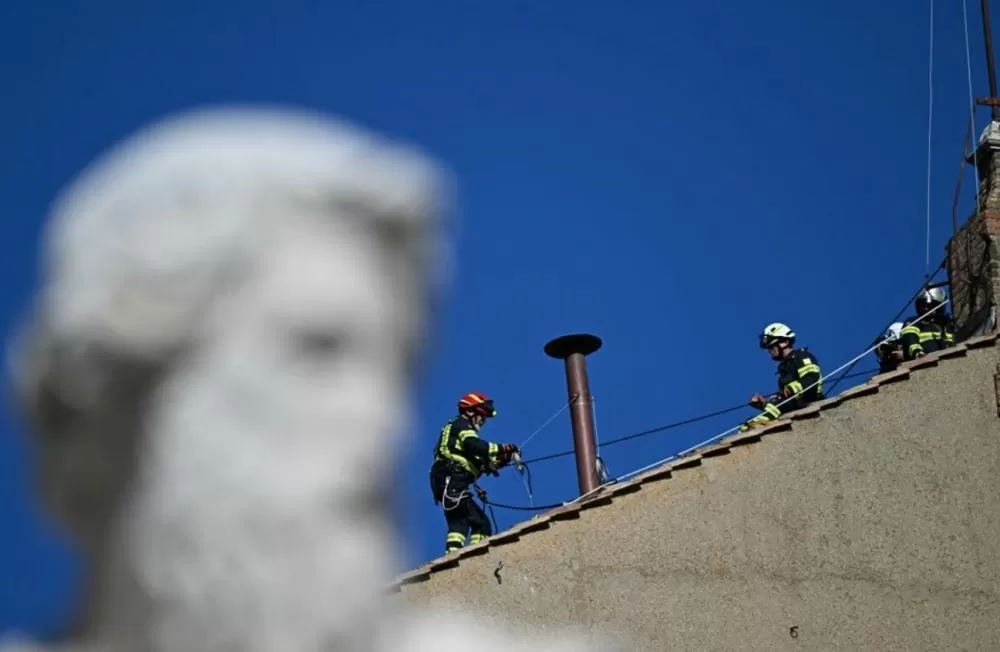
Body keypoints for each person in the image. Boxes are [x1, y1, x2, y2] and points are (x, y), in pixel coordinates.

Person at [429, 392, 519, 553]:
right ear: (470, 412)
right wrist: (503, 448)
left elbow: (476, 461)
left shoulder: (454, 431)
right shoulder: (461, 425)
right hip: (452, 479)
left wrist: (496, 462)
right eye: (482, 416)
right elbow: (475, 445)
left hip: (447, 481)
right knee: (481, 524)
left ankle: (452, 558)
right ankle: (474, 558)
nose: (483, 421)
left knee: (459, 522)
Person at [742, 322, 823, 431]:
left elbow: (812, 380)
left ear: (784, 342)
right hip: (795, 407)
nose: (769, 351)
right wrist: (763, 404)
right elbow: (785, 401)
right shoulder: (785, 368)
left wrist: (793, 388)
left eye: (771, 346)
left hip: (810, 403)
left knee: (755, 423)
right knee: (746, 426)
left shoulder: (801, 357)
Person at [899, 287, 955, 360]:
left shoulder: (947, 322)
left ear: (939, 306)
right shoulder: (914, 321)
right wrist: (917, 352)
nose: (925, 308)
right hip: (925, 359)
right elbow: (910, 337)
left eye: (929, 305)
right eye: (922, 305)